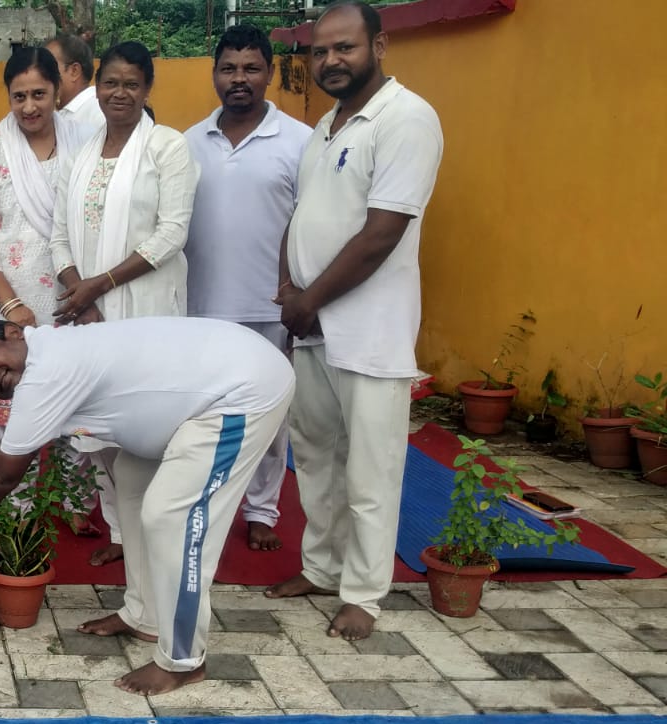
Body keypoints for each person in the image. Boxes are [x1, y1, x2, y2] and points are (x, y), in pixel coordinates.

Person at [0, 317, 293, 696]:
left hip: (242, 388)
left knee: (173, 515)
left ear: (14, 334)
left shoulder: (48, 369)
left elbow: (2, 474)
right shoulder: (44, 359)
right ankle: (145, 616)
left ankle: (183, 661)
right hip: (208, 388)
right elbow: (5, 452)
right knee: (132, 478)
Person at [265, 0, 444, 641]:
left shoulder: (406, 118)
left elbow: (381, 233)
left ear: (379, 46)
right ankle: (321, 567)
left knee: (371, 469)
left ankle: (365, 593)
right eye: (321, 51)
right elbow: (302, 216)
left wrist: (308, 300)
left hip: (369, 331)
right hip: (313, 328)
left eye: (346, 47)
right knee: (316, 457)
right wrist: (289, 289)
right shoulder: (326, 126)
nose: (331, 61)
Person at [52, 41, 200, 568]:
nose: (120, 93)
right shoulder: (81, 153)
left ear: (147, 89)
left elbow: (172, 234)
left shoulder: (168, 147)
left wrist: (99, 285)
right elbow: (58, 236)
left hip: (146, 311)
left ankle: (157, 531)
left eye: (131, 84)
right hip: (90, 314)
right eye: (110, 82)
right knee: (100, 427)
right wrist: (81, 295)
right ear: (95, 86)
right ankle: (120, 531)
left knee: (147, 425)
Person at [183, 25, 312, 553]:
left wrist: (296, 293)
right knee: (199, 415)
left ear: (270, 73)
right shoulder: (188, 142)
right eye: (229, 68)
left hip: (269, 305)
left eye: (251, 68)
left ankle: (261, 510)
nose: (239, 79)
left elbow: (309, 224)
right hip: (198, 306)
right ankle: (200, 504)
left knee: (268, 415)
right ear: (214, 74)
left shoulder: (301, 142)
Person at [0, 46, 90, 521]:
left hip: (71, 295)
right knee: (8, 404)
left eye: (39, 94)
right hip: (5, 301)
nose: (29, 106)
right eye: (19, 96)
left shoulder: (86, 142)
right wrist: (10, 304)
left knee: (75, 398)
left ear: (58, 91)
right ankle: (18, 506)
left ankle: (75, 500)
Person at [46, 33, 104, 132]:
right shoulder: (56, 112)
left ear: (74, 71)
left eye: (47, 66)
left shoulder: (99, 113)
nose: (40, 75)